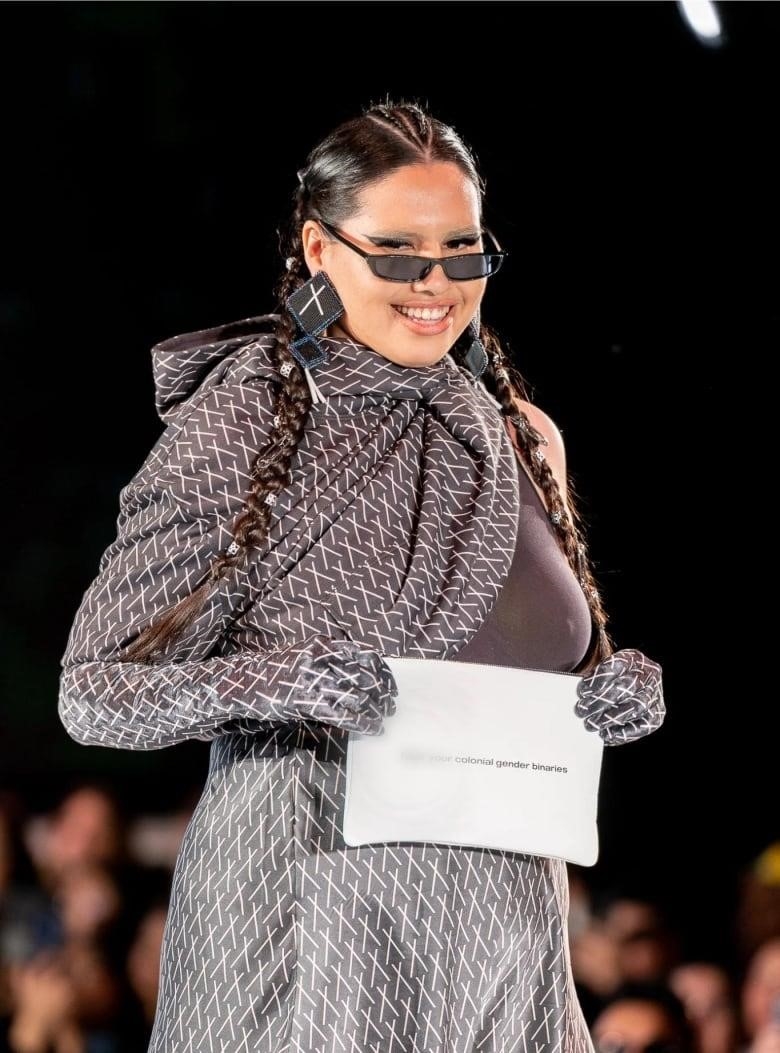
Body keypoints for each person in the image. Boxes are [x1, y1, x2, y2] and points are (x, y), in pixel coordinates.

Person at [57, 99, 666, 1052]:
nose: (436, 283)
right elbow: (93, 696)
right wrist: (283, 679)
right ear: (316, 247)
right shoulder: (247, 417)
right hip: (307, 931)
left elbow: (524, 665)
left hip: (508, 933)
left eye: (463, 252)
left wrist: (607, 693)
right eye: (397, 253)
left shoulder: (520, 434)